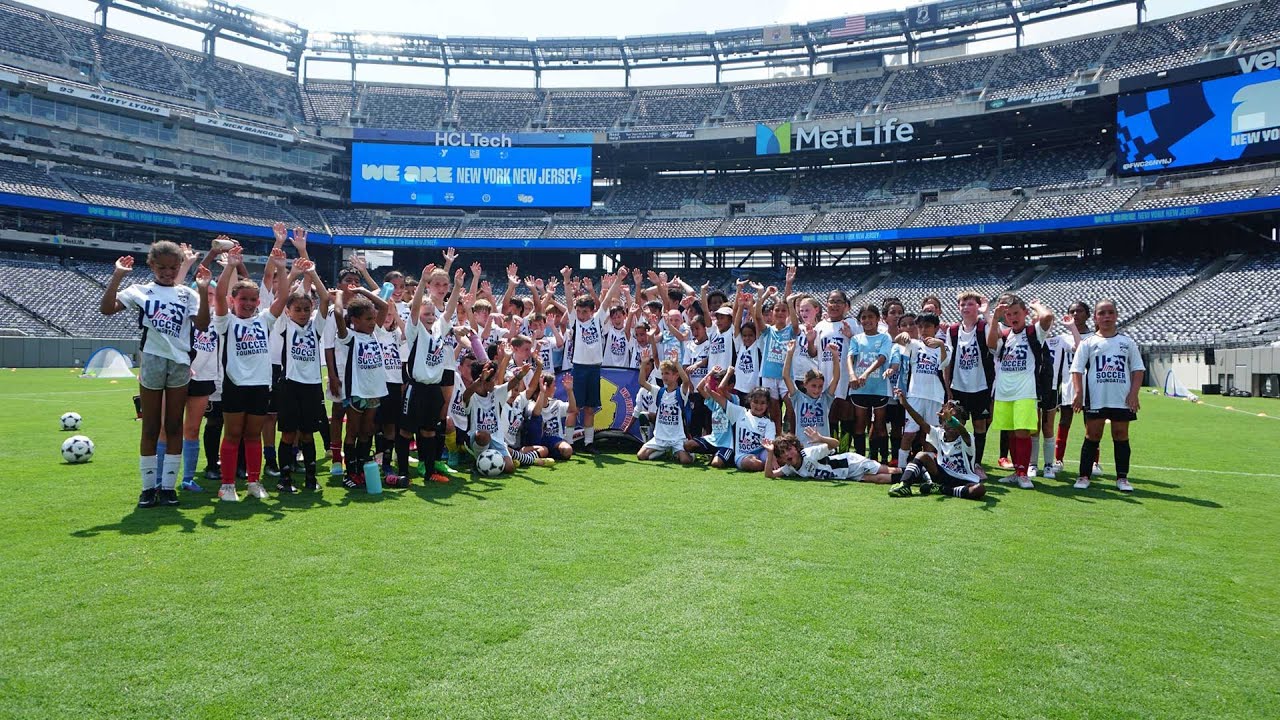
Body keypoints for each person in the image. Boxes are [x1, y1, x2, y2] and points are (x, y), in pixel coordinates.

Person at [100, 240, 212, 507]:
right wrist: (117, 275)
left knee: (174, 426)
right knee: (150, 427)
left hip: (179, 364)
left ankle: (168, 487)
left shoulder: (188, 294)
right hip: (152, 361)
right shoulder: (141, 290)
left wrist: (205, 290)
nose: (168, 272)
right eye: (162, 267)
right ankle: (148, 488)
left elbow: (204, 324)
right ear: (151, 265)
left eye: (173, 267)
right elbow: (106, 309)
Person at [215, 246, 288, 501]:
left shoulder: (265, 319)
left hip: (259, 385)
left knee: (253, 435)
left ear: (258, 302)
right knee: (233, 435)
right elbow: (219, 294)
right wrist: (229, 266)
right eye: (242, 299)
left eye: (252, 300)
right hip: (235, 384)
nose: (247, 304)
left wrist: (281, 267)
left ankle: (254, 482)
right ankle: (227, 485)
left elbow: (284, 296)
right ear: (233, 301)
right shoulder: (226, 321)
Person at [1070, 299, 1144, 492]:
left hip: (1121, 397)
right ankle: (1084, 475)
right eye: (1102, 313)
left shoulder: (1127, 343)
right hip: (1096, 397)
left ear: (1116, 315)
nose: (1106, 316)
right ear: (1095, 317)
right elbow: (1076, 370)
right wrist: (1079, 393)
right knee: (1092, 435)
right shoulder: (1088, 342)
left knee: (1121, 435)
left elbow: (1138, 370)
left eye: (1110, 312)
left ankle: (1122, 478)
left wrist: (1134, 394)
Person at [987, 294, 1055, 489]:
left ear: (1024, 313)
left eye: (1016, 313)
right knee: (1010, 434)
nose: (1012, 317)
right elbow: (991, 345)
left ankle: (1024, 473)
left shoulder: (1034, 332)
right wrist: (995, 318)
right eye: (1008, 314)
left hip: (1025, 391)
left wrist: (1036, 305)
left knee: (1022, 432)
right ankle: (1017, 471)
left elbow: (1048, 317)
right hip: (1004, 392)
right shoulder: (1006, 335)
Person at [272, 258, 328, 493]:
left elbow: (325, 298)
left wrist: (313, 274)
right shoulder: (285, 325)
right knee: (288, 433)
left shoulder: (315, 327)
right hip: (290, 385)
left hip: (312, 386)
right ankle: (284, 478)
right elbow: (282, 296)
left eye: (306, 309)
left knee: (307, 434)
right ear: (288, 310)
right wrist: (293, 274)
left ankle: (311, 478)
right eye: (297, 309)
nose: (303, 313)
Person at [560, 264, 626, 453]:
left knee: (590, 408)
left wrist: (619, 279)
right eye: (579, 312)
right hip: (578, 368)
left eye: (585, 312)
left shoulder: (597, 319)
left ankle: (589, 443)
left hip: (594, 368)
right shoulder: (574, 322)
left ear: (591, 311)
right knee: (574, 408)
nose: (581, 315)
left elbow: (605, 302)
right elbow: (569, 302)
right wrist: (566, 280)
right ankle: (568, 443)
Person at [333, 285, 391, 489]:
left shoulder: (374, 334)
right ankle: (350, 472)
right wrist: (340, 295)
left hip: (375, 391)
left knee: (367, 431)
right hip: (357, 392)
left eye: (373, 319)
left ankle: (362, 469)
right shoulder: (349, 338)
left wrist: (363, 291)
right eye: (368, 319)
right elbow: (339, 314)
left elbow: (383, 307)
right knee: (352, 432)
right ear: (354, 320)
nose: (372, 322)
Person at [889, 390, 986, 500]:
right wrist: (905, 404)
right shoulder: (939, 433)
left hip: (964, 480)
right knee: (922, 455)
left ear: (962, 423)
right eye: (946, 420)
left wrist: (951, 419)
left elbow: (962, 431)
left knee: (979, 489)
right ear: (941, 423)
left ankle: (943, 489)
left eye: (954, 419)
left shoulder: (966, 438)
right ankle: (904, 485)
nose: (949, 423)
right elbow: (921, 422)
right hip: (942, 475)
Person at [943, 291, 995, 479]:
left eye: (970, 304)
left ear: (978, 307)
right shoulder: (953, 331)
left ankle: (976, 464)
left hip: (980, 387)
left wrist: (988, 313)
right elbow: (947, 361)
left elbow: (994, 344)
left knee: (980, 426)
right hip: (958, 387)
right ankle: (958, 461)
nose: (966, 307)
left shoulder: (984, 327)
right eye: (963, 304)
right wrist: (948, 388)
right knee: (956, 426)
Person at [889, 312, 949, 469]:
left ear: (936, 328)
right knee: (909, 433)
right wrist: (902, 334)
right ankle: (902, 469)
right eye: (920, 326)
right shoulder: (915, 345)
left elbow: (943, 365)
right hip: (915, 396)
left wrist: (941, 345)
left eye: (927, 326)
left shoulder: (945, 347)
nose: (923, 330)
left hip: (935, 397)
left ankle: (927, 470)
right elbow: (897, 341)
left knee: (931, 436)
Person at [1053, 301, 1102, 477]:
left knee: (1091, 424)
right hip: (1068, 385)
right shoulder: (1062, 338)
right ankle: (1058, 459)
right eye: (1072, 311)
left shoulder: (1095, 337)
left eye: (1079, 311)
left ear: (1088, 315)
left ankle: (1095, 462)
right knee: (1064, 422)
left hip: (1090, 385)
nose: (1075, 314)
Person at [763, 427, 898, 483]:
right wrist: (770, 453)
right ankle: (911, 478)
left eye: (789, 449)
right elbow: (770, 475)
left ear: (797, 448)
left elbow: (835, 444)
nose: (787, 454)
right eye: (782, 453)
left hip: (850, 462)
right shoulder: (790, 467)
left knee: (888, 470)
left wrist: (821, 438)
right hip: (845, 474)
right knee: (879, 479)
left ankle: (911, 472)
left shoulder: (810, 453)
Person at [847, 303, 892, 460]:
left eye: (871, 317)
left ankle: (881, 458)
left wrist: (866, 373)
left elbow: (882, 357)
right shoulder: (856, 339)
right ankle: (861, 459)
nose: (867, 320)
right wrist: (852, 374)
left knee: (879, 425)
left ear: (878, 319)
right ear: (860, 320)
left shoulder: (885, 337)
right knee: (859, 424)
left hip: (879, 387)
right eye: (863, 317)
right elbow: (850, 357)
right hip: (860, 387)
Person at [782, 338, 841, 446]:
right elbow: (786, 377)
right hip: (804, 448)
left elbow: (836, 378)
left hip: (823, 448)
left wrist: (835, 357)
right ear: (805, 384)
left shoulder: (825, 398)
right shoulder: (798, 398)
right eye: (813, 386)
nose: (817, 390)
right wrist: (790, 353)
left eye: (820, 386)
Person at [636, 357, 694, 464]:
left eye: (667, 373)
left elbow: (685, 381)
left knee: (685, 461)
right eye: (662, 373)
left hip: (677, 438)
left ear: (676, 376)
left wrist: (677, 364)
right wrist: (643, 364)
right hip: (660, 437)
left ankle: (681, 452)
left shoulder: (681, 392)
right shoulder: (659, 391)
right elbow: (642, 382)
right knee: (641, 455)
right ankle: (664, 451)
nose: (664, 376)